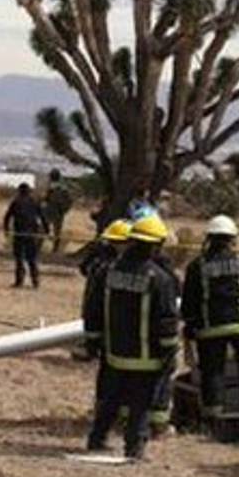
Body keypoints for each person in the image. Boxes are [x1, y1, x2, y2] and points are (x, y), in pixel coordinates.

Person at [86, 215, 180, 460]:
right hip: (146, 357)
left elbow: (92, 309)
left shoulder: (107, 271)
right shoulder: (160, 279)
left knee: (110, 399)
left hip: (114, 353)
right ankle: (134, 448)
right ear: (156, 245)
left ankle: (96, 439)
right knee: (140, 404)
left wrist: (93, 341)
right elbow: (167, 321)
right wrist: (169, 353)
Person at [180, 215, 239, 433]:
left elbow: (189, 301)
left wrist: (190, 325)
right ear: (232, 239)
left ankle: (213, 419)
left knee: (213, 372)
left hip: (211, 329)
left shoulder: (196, 266)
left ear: (209, 238)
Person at [78, 219, 132, 362]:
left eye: (120, 242)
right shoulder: (100, 253)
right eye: (114, 241)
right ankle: (92, 347)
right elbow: (83, 268)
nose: (117, 245)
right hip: (97, 294)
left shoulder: (135, 261)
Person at [3, 183, 49, 289]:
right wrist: (46, 231)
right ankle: (35, 282)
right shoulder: (35, 202)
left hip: (20, 233)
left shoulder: (16, 202)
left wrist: (6, 230)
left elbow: (7, 217)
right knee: (32, 259)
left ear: (19, 191)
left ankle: (19, 281)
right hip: (32, 234)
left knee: (19, 258)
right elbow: (43, 217)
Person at [42, 169, 74, 253]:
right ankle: (53, 248)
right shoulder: (61, 188)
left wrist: (63, 209)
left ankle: (53, 248)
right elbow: (69, 201)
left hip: (53, 211)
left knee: (48, 229)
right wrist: (64, 210)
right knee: (55, 230)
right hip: (55, 211)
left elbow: (45, 199)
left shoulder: (55, 188)